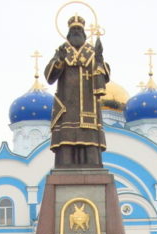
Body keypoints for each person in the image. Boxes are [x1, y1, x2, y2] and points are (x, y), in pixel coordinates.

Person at [45, 15, 109, 168]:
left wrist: (99, 59)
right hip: (67, 103)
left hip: (88, 104)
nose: (76, 32)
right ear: (68, 33)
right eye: (73, 30)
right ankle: (65, 165)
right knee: (66, 141)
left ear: (84, 33)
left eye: (79, 30)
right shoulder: (62, 51)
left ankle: (91, 165)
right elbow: (50, 76)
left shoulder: (92, 53)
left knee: (89, 140)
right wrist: (59, 61)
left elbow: (104, 77)